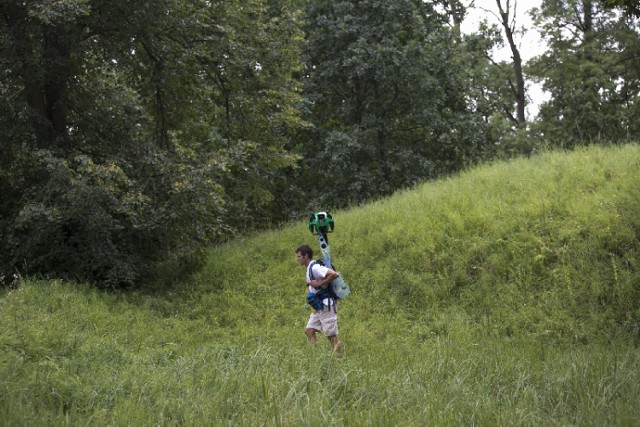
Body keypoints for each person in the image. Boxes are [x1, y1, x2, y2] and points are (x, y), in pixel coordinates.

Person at [295, 244, 345, 356]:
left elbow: (333, 274)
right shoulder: (309, 268)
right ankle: (317, 357)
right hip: (318, 306)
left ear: (305, 255)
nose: (297, 259)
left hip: (326, 305)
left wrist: (319, 283)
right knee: (309, 330)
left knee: (331, 337)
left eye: (299, 256)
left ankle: (342, 360)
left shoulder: (315, 267)